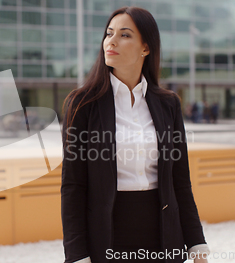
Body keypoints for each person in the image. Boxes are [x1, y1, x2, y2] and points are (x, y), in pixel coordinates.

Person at [61, 7, 209, 263]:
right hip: (107, 238)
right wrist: (77, 254)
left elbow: (180, 181)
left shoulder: (168, 104)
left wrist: (196, 243)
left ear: (145, 48)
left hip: (164, 238)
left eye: (125, 35)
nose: (112, 41)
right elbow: (73, 185)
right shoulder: (82, 104)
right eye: (109, 34)